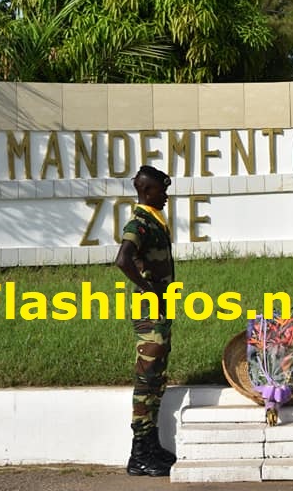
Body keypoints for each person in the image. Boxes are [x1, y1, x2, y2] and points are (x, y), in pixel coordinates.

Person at [115, 165, 177, 477]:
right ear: (147, 191)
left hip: (160, 310)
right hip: (148, 312)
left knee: (156, 378)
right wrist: (145, 285)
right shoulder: (139, 222)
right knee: (145, 378)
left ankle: (151, 446)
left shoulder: (154, 219)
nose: (166, 195)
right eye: (161, 190)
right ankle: (138, 453)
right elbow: (123, 259)